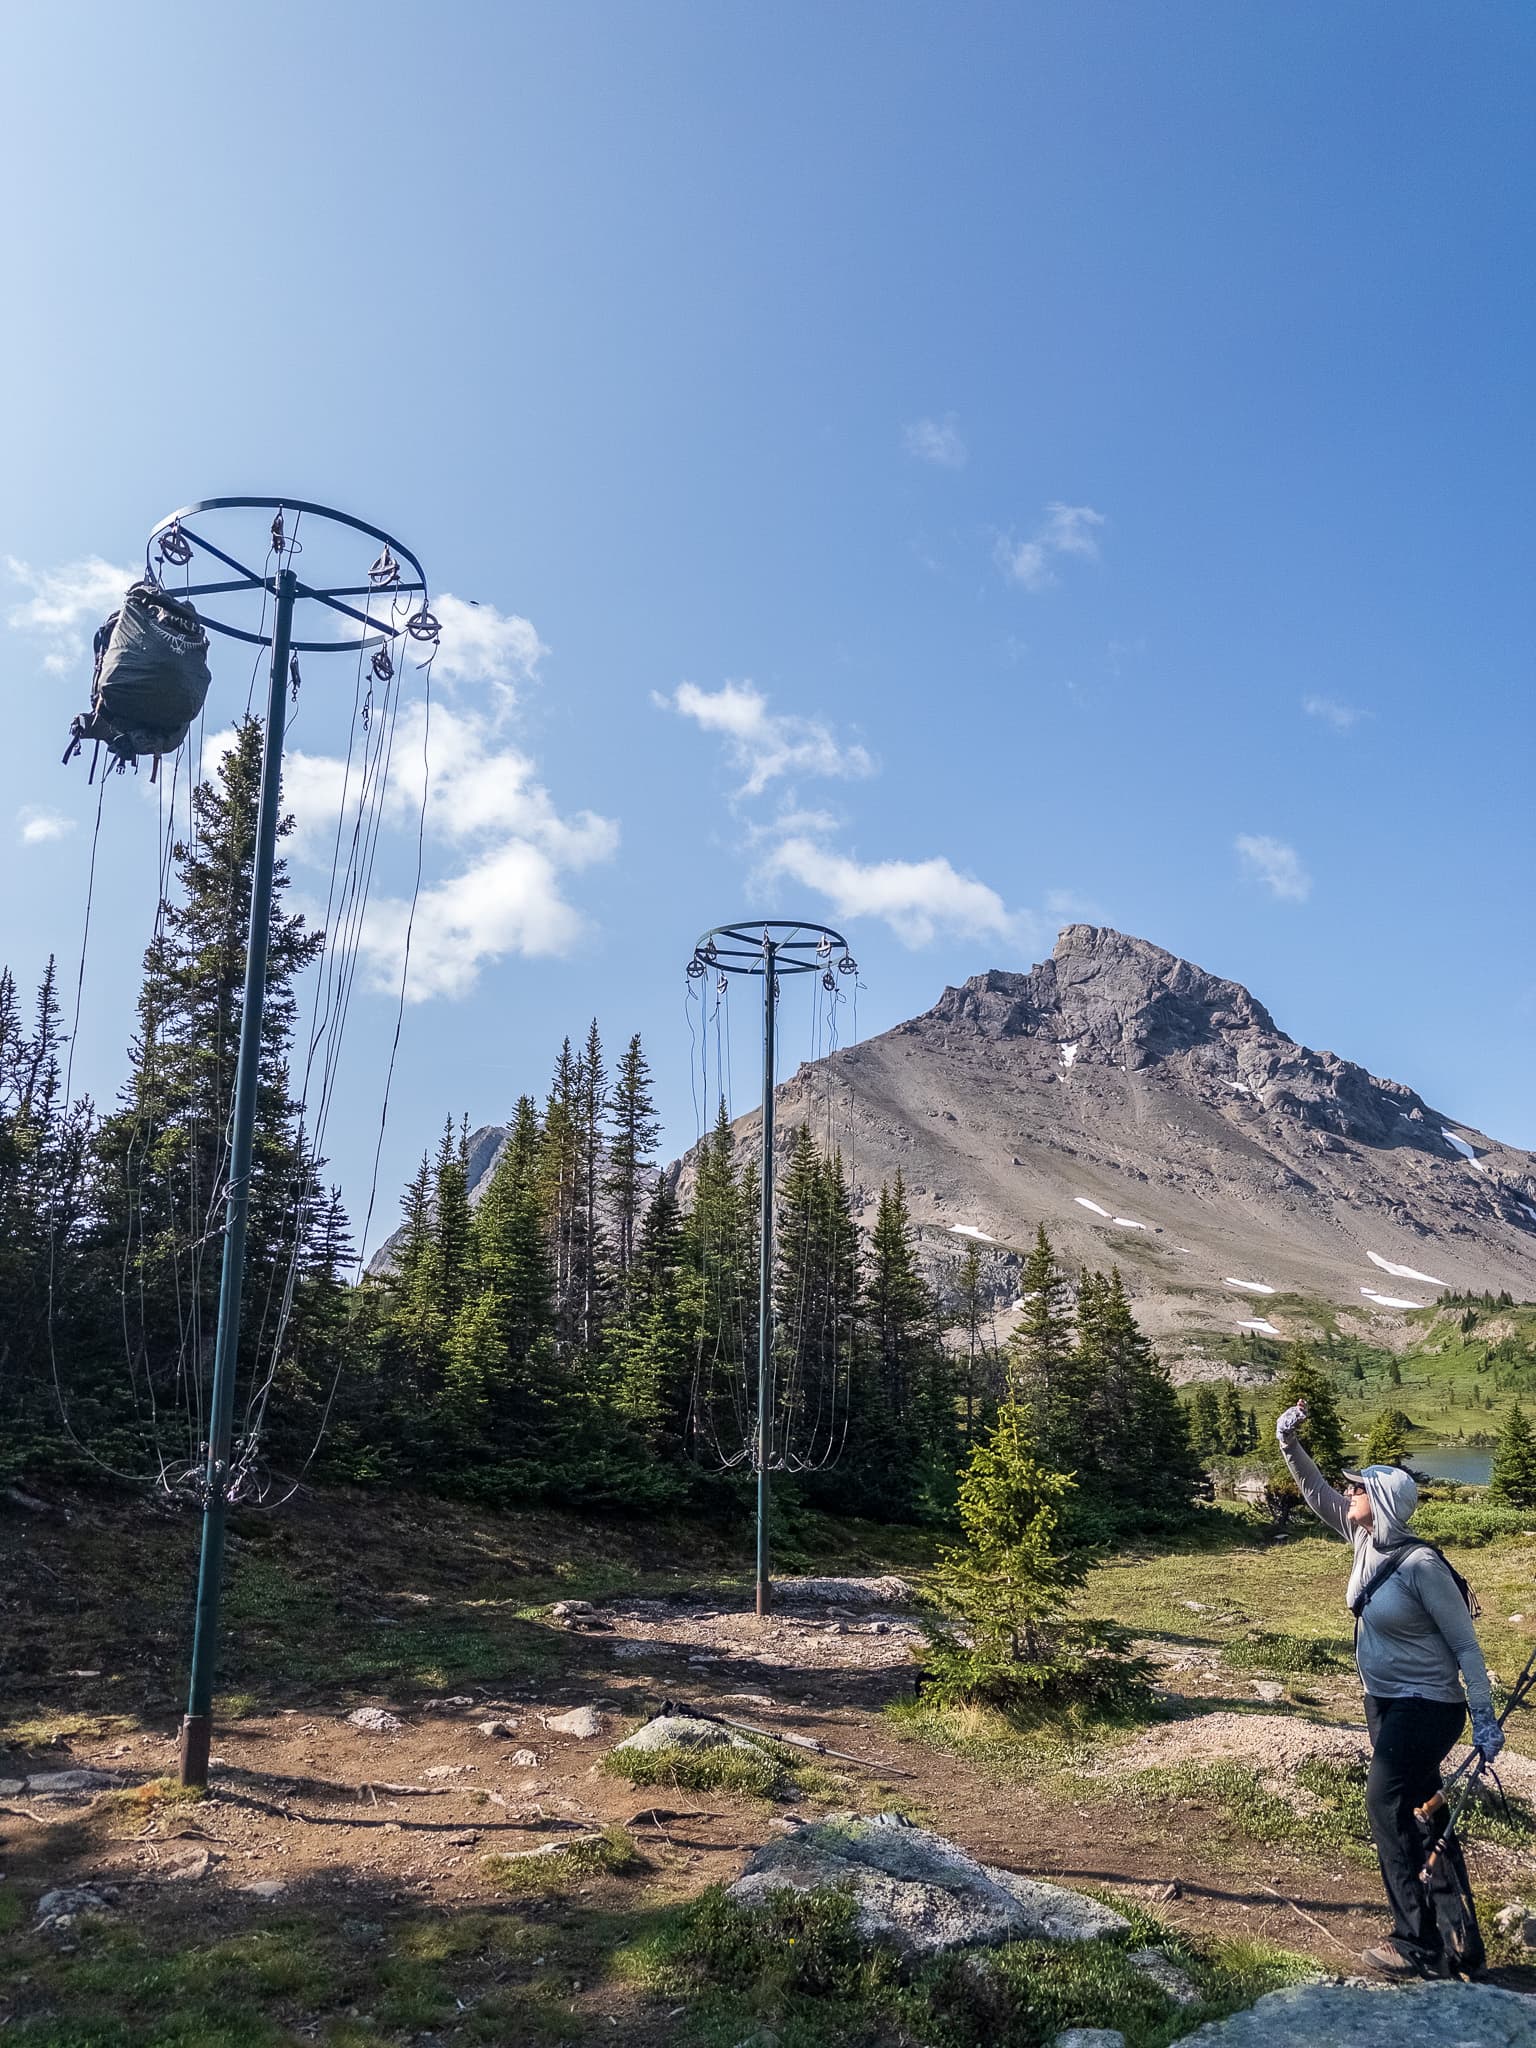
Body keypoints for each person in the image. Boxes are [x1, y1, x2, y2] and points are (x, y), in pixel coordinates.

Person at [1275, 1400, 1502, 1977]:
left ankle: (1414, 1942)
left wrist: (1484, 1716)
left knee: (1384, 1804)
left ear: (1379, 1504)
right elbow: (1316, 1493)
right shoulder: (1364, 1543)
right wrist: (1289, 1443)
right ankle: (1458, 1943)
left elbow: (1466, 1647)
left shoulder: (1421, 1564)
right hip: (1386, 1704)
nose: (1347, 1494)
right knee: (1424, 1815)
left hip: (1428, 1707)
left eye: (1358, 1490)